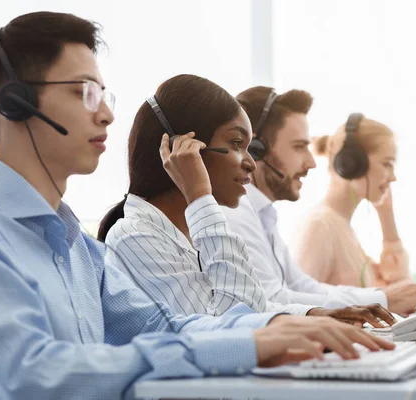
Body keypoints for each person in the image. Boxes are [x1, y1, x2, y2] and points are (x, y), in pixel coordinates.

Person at [0, 12, 393, 400]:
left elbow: (162, 324)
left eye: (104, 94)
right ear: (14, 104)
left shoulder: (77, 247)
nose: (106, 112)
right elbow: (36, 377)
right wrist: (248, 343)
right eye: (85, 91)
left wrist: (280, 328)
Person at [99, 74, 396, 326]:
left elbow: (254, 307)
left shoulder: (187, 234)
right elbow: (233, 327)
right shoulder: (136, 236)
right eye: (236, 144)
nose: (251, 163)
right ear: (185, 150)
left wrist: (318, 313)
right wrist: (201, 198)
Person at [222, 86, 416, 316]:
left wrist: (383, 299)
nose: (311, 162)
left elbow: (303, 286)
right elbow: (270, 300)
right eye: (299, 147)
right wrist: (382, 300)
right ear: (256, 150)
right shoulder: (237, 214)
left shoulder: (263, 216)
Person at [293, 113, 412, 289]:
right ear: (352, 164)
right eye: (387, 164)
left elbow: (400, 288)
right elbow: (298, 307)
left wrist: (387, 216)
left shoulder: (342, 227)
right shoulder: (320, 225)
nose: (393, 177)